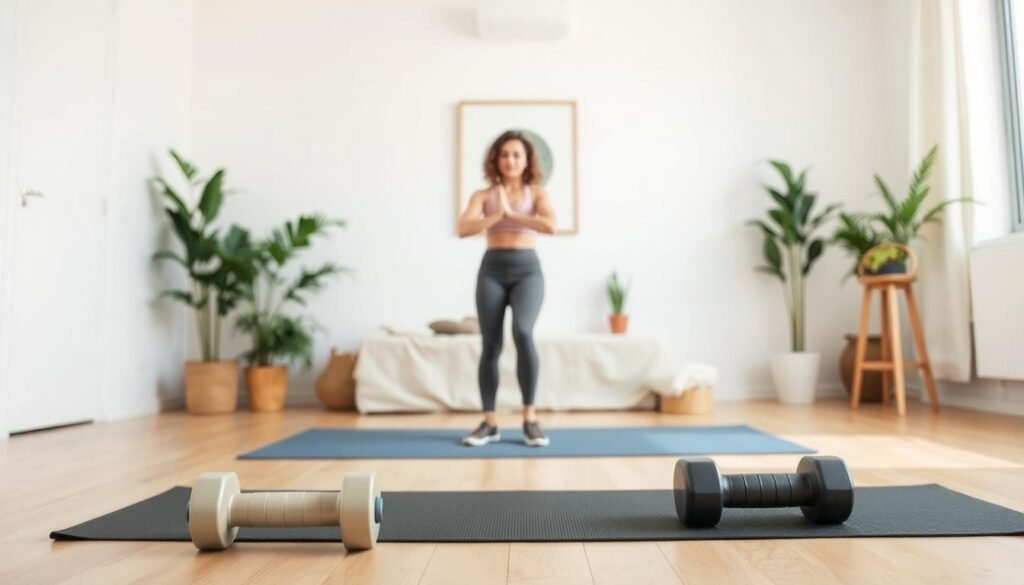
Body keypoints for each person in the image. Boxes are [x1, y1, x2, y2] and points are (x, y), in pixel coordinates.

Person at [457, 130, 557, 447]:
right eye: (504, 154)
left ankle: (530, 419)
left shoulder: (536, 193)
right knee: (490, 343)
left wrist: (513, 214)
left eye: (516, 154)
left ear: (526, 161)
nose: (510, 160)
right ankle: (489, 423)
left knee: (524, 333)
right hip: (492, 270)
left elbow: (551, 225)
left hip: (528, 270)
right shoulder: (482, 196)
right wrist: (497, 213)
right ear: (496, 160)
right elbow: (463, 228)